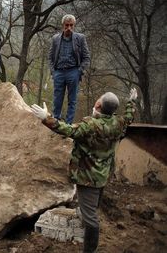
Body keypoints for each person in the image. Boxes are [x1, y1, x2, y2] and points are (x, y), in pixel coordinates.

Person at [30, 88, 138, 253]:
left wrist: (46, 118)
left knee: (91, 220)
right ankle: (85, 215)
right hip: (103, 174)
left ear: (98, 105)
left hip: (88, 177)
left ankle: (89, 250)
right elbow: (129, 117)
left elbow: (68, 130)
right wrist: (131, 102)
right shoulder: (119, 123)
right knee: (91, 206)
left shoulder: (90, 126)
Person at [48, 14, 90, 124]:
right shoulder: (55, 38)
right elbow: (50, 56)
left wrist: (79, 71)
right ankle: (55, 122)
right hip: (59, 72)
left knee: (72, 100)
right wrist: (53, 71)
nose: (69, 28)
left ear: (74, 25)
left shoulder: (80, 38)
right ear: (63, 25)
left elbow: (86, 57)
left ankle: (69, 125)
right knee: (57, 99)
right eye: (67, 25)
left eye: (71, 25)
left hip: (73, 72)